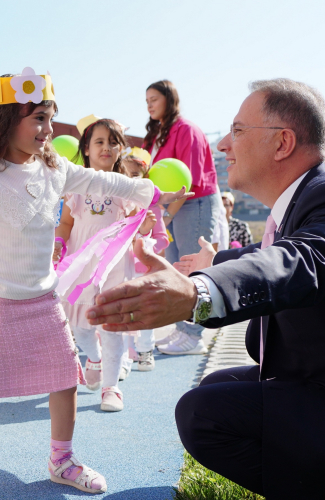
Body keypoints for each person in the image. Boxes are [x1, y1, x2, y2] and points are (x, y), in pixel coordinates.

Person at [85, 78, 325, 499]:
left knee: (203, 414)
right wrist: (205, 266)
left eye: (237, 131)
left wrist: (199, 292)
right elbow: (273, 249)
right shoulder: (308, 200)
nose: (222, 144)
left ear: (282, 143)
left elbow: (301, 261)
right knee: (215, 387)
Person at [0, 68, 190, 492]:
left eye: (50, 118)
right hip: (0, 298)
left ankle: (61, 460)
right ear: (8, 121)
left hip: (44, 298)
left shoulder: (55, 169)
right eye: (38, 119)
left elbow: (107, 180)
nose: (47, 129)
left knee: (65, 377)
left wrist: (152, 193)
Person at [54, 118, 157, 411]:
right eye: (99, 142)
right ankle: (95, 359)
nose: (106, 148)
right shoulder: (76, 185)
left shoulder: (127, 188)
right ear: (86, 148)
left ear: (120, 149)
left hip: (113, 269)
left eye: (113, 142)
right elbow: (65, 223)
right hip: (81, 268)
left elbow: (136, 226)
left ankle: (111, 388)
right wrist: (59, 244)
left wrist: (146, 227)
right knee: (80, 327)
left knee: (113, 326)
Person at [143, 80, 218, 355]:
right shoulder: (157, 134)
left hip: (192, 203)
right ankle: (183, 328)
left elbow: (189, 182)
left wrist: (163, 215)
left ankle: (195, 334)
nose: (149, 104)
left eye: (154, 98)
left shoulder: (186, 130)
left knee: (194, 267)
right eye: (146, 100)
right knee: (176, 268)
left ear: (169, 99)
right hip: (169, 209)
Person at [121, 146, 168, 370]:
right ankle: (125, 355)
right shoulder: (116, 204)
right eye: (125, 175)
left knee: (145, 310)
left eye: (135, 176)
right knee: (123, 310)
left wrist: (144, 235)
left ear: (145, 179)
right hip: (120, 268)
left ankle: (146, 350)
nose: (130, 181)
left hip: (143, 269)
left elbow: (162, 239)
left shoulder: (153, 208)